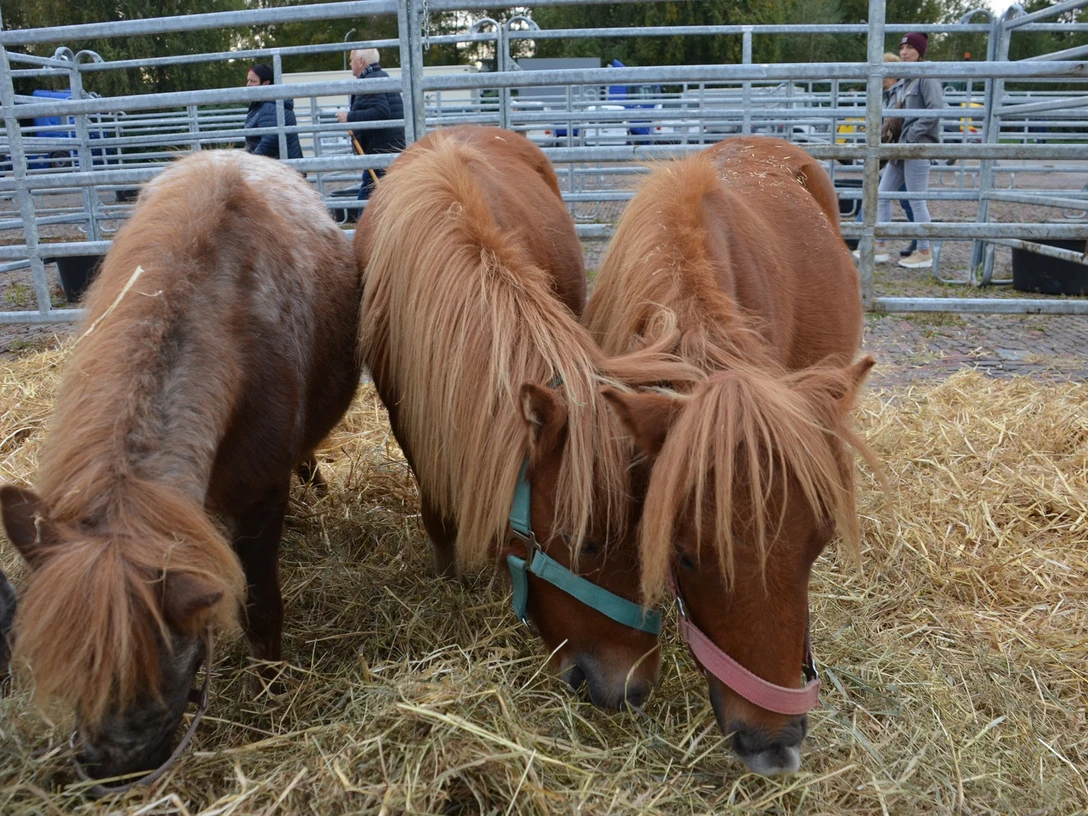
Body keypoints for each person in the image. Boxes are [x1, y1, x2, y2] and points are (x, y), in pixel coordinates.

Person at [882, 33, 943, 269]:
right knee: (882, 194)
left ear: (920, 51)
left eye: (909, 47)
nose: (904, 52)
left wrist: (912, 135)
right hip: (902, 148)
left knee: (917, 201)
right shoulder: (906, 79)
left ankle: (924, 251)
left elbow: (935, 109)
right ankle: (879, 246)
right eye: (902, 48)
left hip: (917, 147)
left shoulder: (926, 75)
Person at [853, 53, 916, 262]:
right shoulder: (888, 94)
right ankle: (863, 237)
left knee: (901, 197)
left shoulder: (899, 94)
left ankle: (858, 236)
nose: (883, 77)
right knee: (889, 194)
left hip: (899, 151)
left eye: (887, 72)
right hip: (891, 152)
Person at [335, 48, 406, 207]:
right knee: (383, 198)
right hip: (388, 147)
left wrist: (350, 117)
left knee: (367, 201)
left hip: (380, 151)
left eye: (352, 59)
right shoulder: (380, 77)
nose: (350, 63)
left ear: (361, 61)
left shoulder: (371, 81)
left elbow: (381, 111)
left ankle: (365, 230)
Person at [244, 64, 303, 161]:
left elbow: (270, 139)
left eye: (253, 81)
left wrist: (251, 161)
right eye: (248, 80)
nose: (248, 84)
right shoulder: (263, 104)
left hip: (276, 169)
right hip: (275, 166)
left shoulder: (270, 106)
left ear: (265, 83)